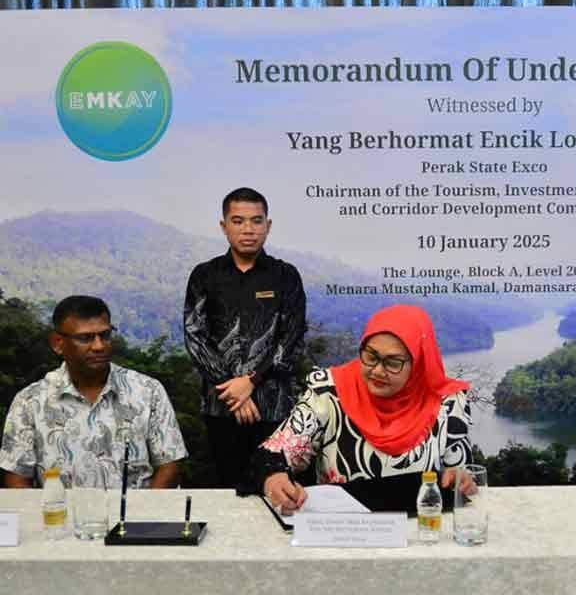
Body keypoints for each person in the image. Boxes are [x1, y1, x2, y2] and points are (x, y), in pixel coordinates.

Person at [252, 304, 472, 514]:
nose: (377, 371)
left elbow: (459, 476)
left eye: (393, 362)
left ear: (418, 362)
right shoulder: (329, 392)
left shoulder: (448, 404)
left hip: (422, 529)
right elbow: (273, 454)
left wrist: (459, 479)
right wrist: (274, 477)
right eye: (371, 356)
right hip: (341, 530)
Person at [184, 187, 306, 488]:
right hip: (220, 407)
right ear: (224, 226)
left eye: (256, 220)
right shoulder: (204, 275)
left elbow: (291, 340)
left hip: (274, 407)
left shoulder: (285, 276)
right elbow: (195, 337)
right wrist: (233, 392)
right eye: (238, 221)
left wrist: (251, 380)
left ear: (268, 225)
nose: (248, 229)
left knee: (276, 489)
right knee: (227, 489)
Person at [0, 296, 187, 488]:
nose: (99, 346)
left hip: (134, 507)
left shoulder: (148, 391)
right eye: (85, 338)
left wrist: (141, 508)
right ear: (58, 343)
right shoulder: (30, 401)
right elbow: (16, 477)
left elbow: (170, 466)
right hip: (58, 508)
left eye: (105, 335)